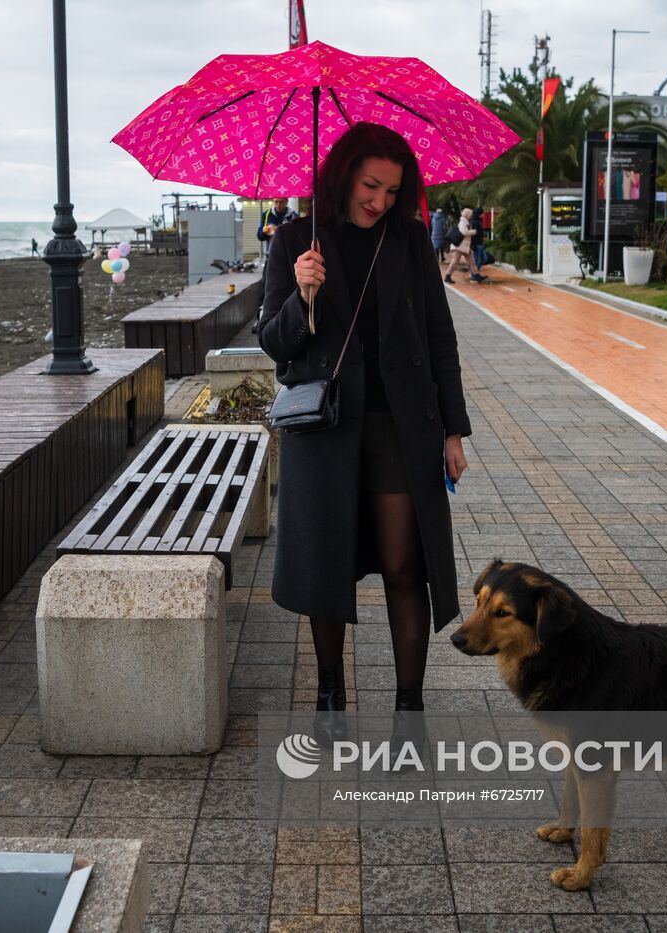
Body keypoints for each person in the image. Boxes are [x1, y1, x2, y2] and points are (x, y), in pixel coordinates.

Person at [256, 122, 471, 736]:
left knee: (406, 566)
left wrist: (453, 431)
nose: (378, 201)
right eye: (370, 185)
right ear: (344, 174)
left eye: (391, 190)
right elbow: (274, 347)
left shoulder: (406, 240)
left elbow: (438, 338)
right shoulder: (297, 238)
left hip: (401, 428)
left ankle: (410, 710)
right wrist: (303, 296)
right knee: (326, 566)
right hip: (324, 428)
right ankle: (330, 698)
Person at [257, 197, 297, 264]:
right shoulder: (266, 215)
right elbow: (260, 236)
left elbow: (297, 236)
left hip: (288, 255)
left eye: (281, 202)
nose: (278, 204)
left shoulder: (294, 215)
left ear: (286, 202)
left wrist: (281, 230)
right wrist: (266, 232)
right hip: (271, 254)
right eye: (276, 202)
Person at [442, 208, 475, 283]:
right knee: (455, 261)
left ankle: (476, 274)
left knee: (470, 261)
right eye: (470, 214)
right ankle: (448, 276)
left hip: (462, 246)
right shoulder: (463, 222)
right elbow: (463, 232)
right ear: (467, 214)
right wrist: (473, 232)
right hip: (460, 246)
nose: (471, 216)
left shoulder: (465, 221)